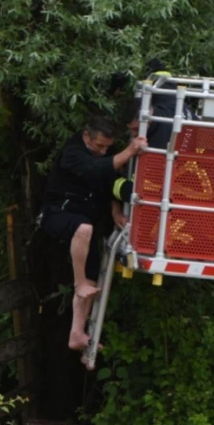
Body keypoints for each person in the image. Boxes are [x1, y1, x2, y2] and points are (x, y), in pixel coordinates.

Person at [40, 116, 146, 351]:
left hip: (87, 218)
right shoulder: (73, 152)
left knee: (92, 272)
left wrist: (116, 211)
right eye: (99, 146)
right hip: (59, 213)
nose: (102, 151)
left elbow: (109, 181)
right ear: (86, 135)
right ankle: (78, 285)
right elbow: (96, 168)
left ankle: (77, 334)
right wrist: (129, 151)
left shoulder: (104, 153)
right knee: (83, 230)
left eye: (107, 147)